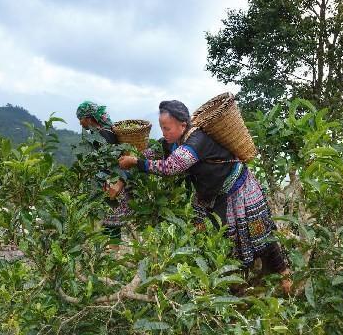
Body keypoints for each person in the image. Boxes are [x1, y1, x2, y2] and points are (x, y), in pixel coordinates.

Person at [118, 100, 292, 294]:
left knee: (259, 232)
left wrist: (135, 162)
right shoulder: (171, 142)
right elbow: (149, 154)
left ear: (183, 125)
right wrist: (128, 163)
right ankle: (231, 283)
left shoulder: (197, 140)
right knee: (208, 235)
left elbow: (171, 167)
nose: (164, 132)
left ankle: (284, 275)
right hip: (211, 194)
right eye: (162, 128)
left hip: (239, 188)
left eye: (167, 128)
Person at [76, 101, 131, 240]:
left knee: (111, 223)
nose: (80, 123)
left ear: (88, 118)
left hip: (110, 184)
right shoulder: (104, 132)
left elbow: (111, 162)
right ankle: (111, 252)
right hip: (108, 183)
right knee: (110, 222)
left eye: (80, 119)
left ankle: (112, 253)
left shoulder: (104, 135)